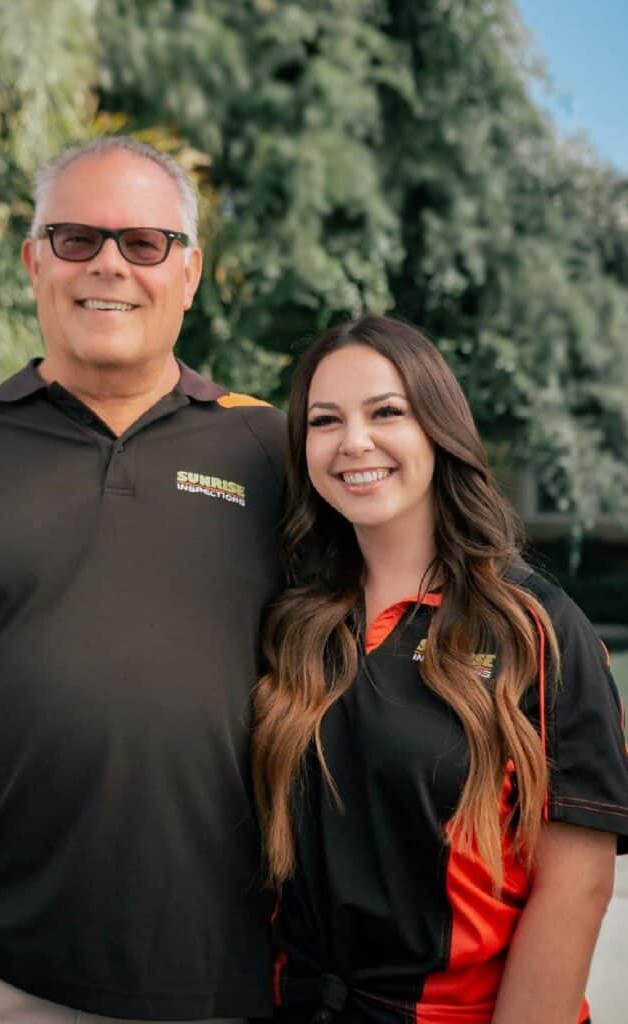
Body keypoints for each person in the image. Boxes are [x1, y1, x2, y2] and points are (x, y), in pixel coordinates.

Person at [0, 137, 286, 1023]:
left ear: (188, 273)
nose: (109, 263)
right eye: (75, 239)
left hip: (224, 981)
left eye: (144, 242)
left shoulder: (271, 451)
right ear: (34, 262)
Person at [252, 316, 628, 1024]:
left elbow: (575, 889)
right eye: (324, 421)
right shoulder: (292, 621)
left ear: (437, 427)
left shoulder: (533, 628)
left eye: (385, 412)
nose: (353, 442)